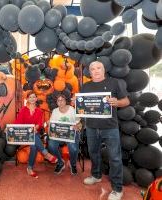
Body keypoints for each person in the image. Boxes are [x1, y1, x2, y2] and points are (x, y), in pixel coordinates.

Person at [80, 61, 130, 200]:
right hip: (91, 126)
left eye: (98, 68)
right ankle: (96, 175)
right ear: (89, 72)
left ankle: (117, 189)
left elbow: (126, 101)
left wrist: (117, 102)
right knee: (93, 153)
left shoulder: (114, 83)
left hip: (110, 127)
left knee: (114, 157)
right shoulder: (86, 86)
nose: (95, 71)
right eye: (92, 69)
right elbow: (82, 105)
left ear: (104, 69)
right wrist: (76, 102)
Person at [14, 91, 57, 178]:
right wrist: (10, 129)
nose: (32, 99)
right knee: (32, 137)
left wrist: (35, 128)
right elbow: (18, 122)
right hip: (24, 133)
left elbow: (39, 124)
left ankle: (30, 168)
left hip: (34, 133)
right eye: (30, 97)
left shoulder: (39, 111)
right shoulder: (23, 110)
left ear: (36, 99)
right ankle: (46, 154)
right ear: (27, 99)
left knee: (33, 146)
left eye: (34, 97)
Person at [47, 94, 82, 175]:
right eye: (58, 100)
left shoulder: (72, 109)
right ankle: (60, 162)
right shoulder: (55, 111)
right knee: (51, 145)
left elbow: (79, 123)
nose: (60, 102)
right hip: (58, 135)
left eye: (62, 100)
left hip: (70, 134)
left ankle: (72, 164)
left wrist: (77, 126)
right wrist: (49, 125)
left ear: (65, 101)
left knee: (73, 148)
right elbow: (52, 125)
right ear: (56, 102)